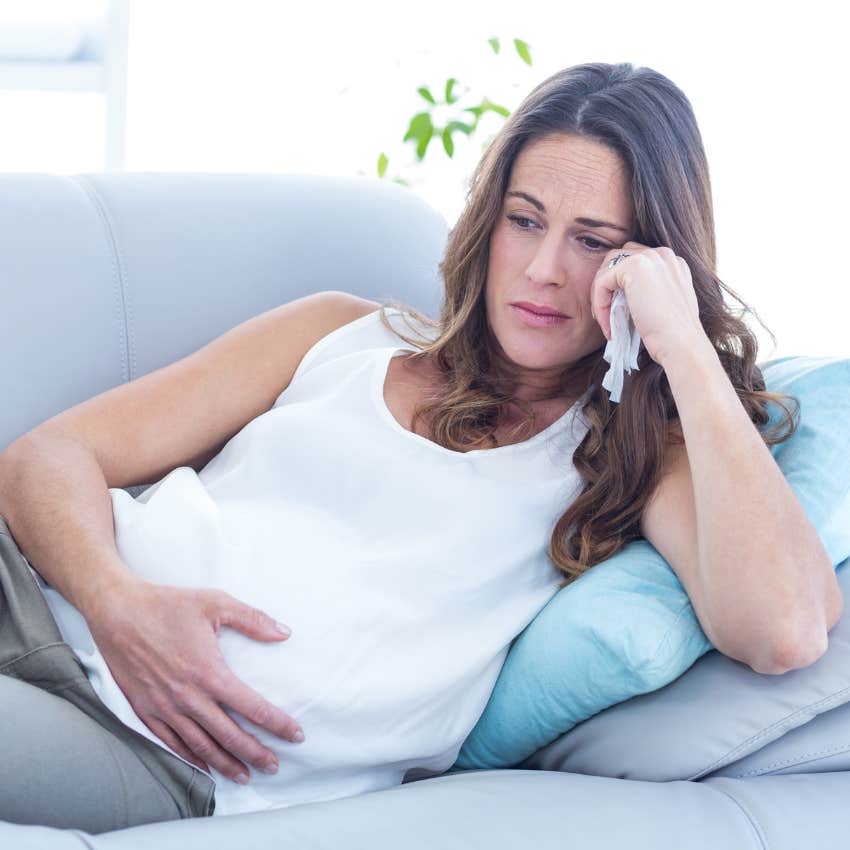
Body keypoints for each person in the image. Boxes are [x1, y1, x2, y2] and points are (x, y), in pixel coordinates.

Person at [0, 60, 841, 832]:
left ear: (650, 262)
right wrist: (120, 606)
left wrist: (683, 343)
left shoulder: (636, 457)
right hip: (36, 594)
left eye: (592, 242)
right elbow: (49, 456)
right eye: (525, 220)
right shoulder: (340, 333)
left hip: (151, 745)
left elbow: (787, 630)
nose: (545, 269)